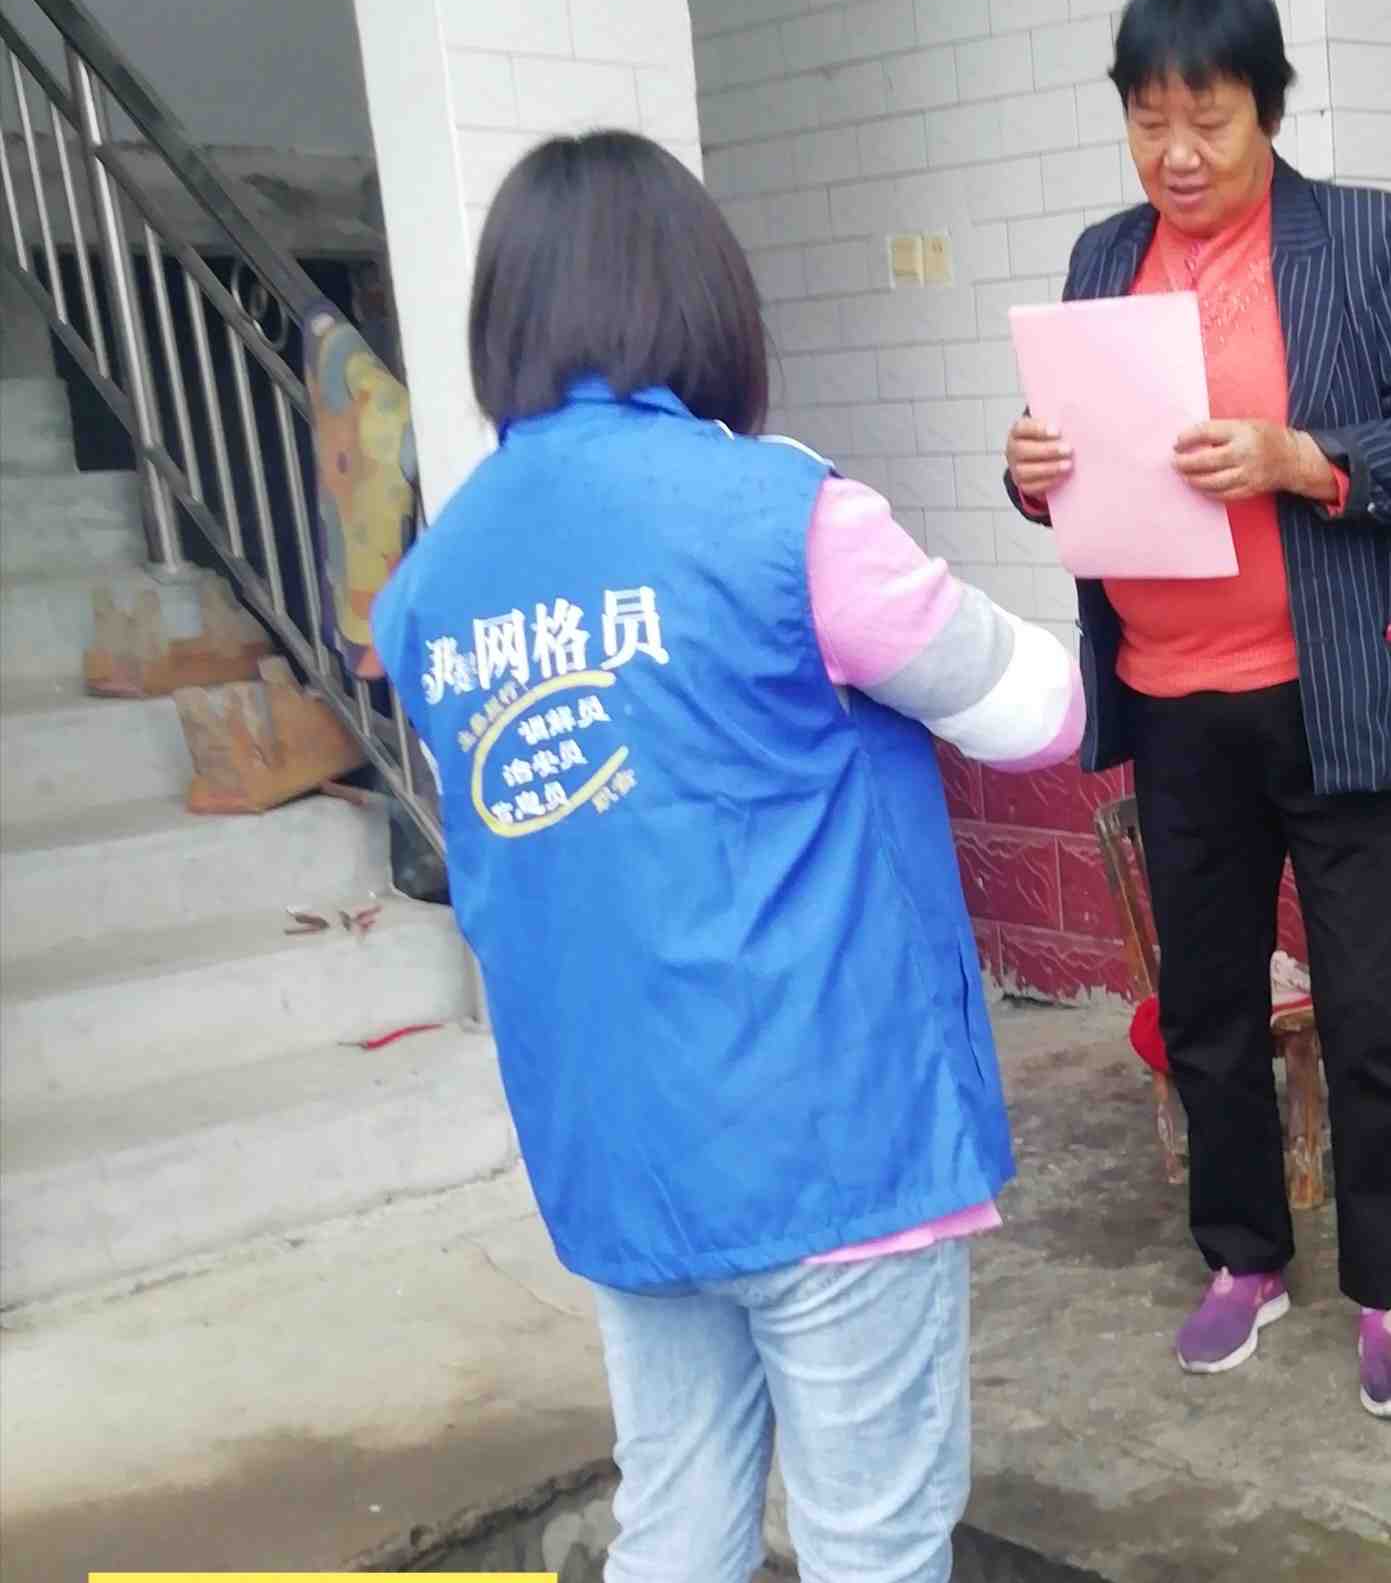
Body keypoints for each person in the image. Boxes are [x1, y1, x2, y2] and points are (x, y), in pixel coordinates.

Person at [373, 132, 1083, 1583]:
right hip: (830, 1135)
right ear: (701, 306)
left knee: (677, 1521)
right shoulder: (788, 518)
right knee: (871, 1538)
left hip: (620, 1152)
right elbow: (1034, 714)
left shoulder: (431, 585)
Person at [1003, 0, 1391, 1419]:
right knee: (1208, 1008)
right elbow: (1078, 459)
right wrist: (1030, 474)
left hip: (1339, 693)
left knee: (1365, 1013)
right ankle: (1243, 1258)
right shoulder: (1105, 258)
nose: (1177, 154)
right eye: (1148, 121)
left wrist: (1306, 460)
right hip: (1171, 699)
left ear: (1267, 109)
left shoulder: (1371, 240)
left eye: (1207, 120)